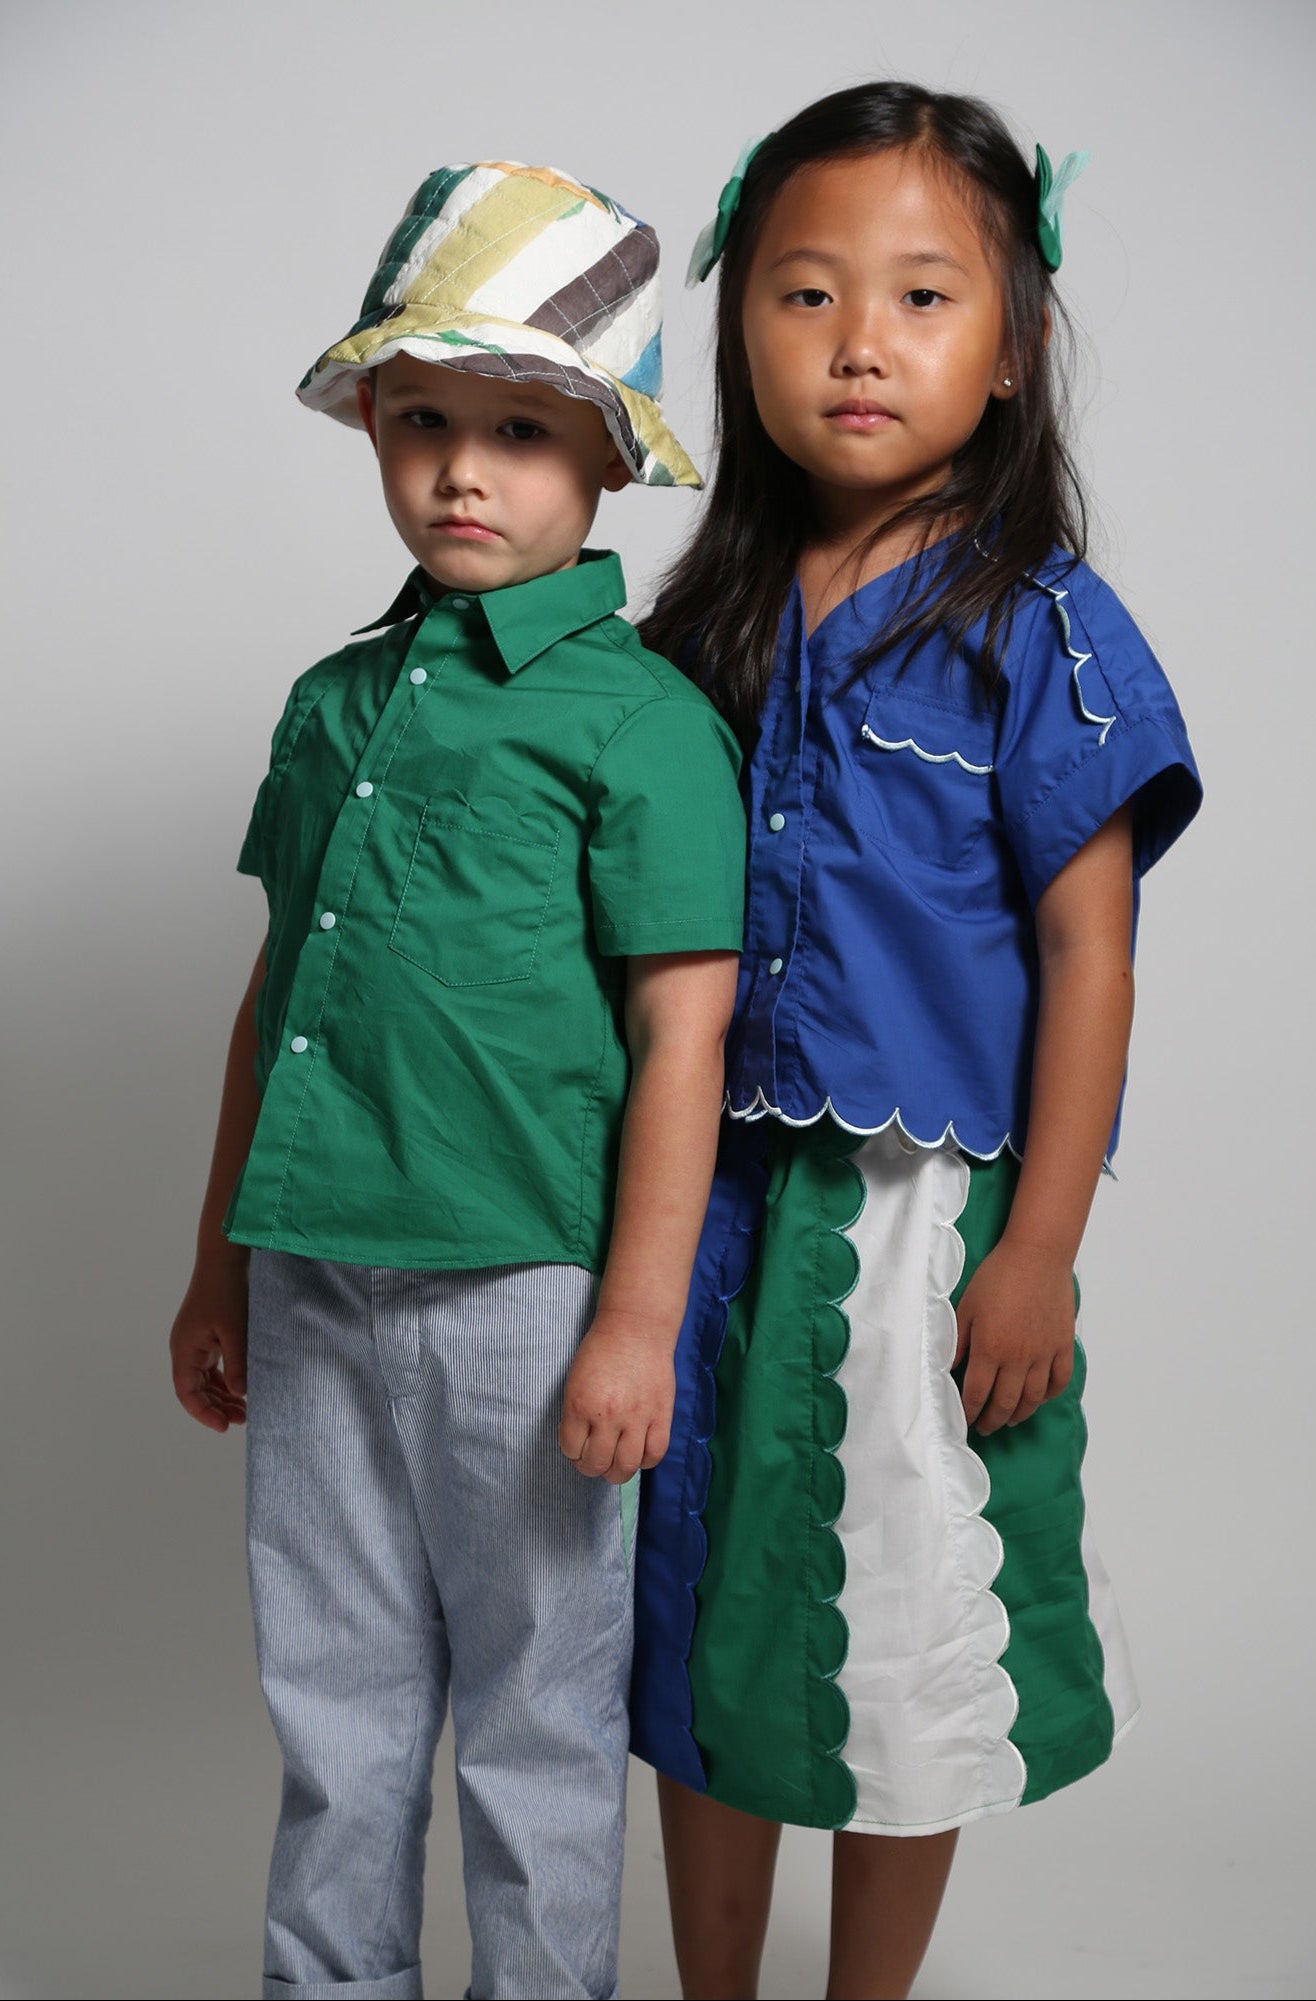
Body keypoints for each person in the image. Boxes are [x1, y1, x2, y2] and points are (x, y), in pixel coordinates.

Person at [631, 83, 1202, 2001]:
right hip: (704, 1203)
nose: (859, 339)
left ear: (1014, 348)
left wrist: (1038, 1242)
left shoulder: (1046, 629)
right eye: (803, 294)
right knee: (699, 1604)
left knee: (893, 1614)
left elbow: (1091, 952)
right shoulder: (694, 628)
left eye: (922, 294)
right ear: (738, 338)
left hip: (912, 1220)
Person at [167, 160, 746, 2001]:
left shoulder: (643, 724)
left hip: (527, 1290)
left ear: (605, 463)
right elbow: (282, 998)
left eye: (517, 426)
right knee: (334, 1713)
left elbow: (684, 1036)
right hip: (312, 1272)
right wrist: (214, 1262)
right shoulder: (337, 701)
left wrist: (636, 1322)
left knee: (532, 1727)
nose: (461, 470)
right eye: (422, 421)